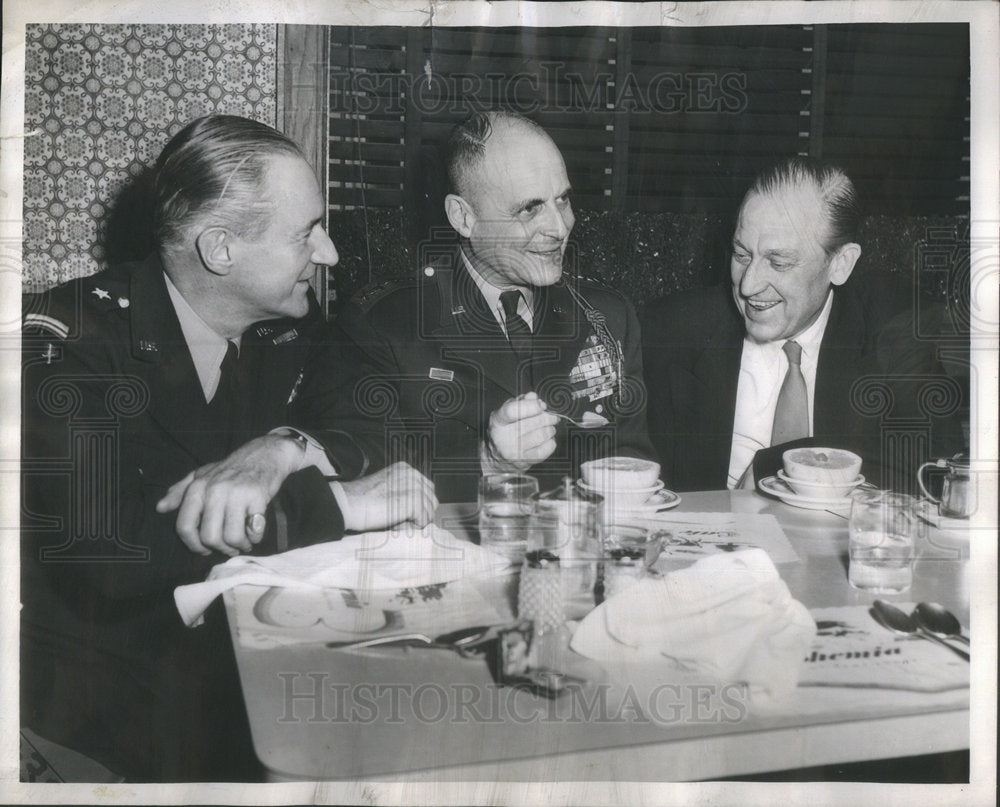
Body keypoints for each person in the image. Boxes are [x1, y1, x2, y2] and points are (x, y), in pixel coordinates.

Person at [20, 115, 436, 782]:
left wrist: (282, 446)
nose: (328, 253)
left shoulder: (283, 325)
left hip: (235, 675)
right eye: (306, 234)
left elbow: (370, 411)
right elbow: (112, 550)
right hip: (99, 716)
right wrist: (331, 503)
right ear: (220, 250)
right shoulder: (68, 342)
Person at [337, 110, 654, 502]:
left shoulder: (607, 315)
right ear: (463, 217)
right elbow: (367, 486)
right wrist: (489, 461)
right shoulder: (386, 325)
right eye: (530, 209)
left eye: (563, 200)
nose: (559, 227)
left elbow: (633, 461)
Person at [641, 156, 964, 493]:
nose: (748, 285)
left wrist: (780, 466)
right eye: (741, 255)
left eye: (778, 262)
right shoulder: (671, 330)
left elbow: (939, 470)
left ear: (840, 264)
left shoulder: (891, 330)